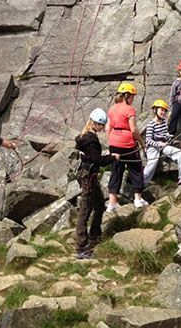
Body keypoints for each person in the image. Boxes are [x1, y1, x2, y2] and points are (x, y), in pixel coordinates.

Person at [74, 108, 120, 260]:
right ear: (96, 124)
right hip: (89, 176)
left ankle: (94, 234)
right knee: (85, 210)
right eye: (102, 125)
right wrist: (112, 158)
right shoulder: (92, 140)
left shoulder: (83, 137)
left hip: (87, 174)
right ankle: (82, 247)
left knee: (99, 204)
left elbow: (89, 157)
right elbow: (97, 160)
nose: (103, 128)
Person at [105, 82, 148, 211]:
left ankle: (112, 203)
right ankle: (138, 199)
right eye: (132, 96)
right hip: (128, 143)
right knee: (136, 169)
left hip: (114, 143)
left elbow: (108, 127)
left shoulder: (112, 109)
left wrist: (111, 141)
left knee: (116, 171)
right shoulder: (129, 110)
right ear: (127, 95)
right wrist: (142, 143)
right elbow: (134, 130)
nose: (133, 99)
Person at [144, 99, 181, 186]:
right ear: (155, 110)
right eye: (161, 110)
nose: (163, 112)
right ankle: (142, 183)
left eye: (164, 110)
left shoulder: (164, 123)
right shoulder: (151, 124)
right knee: (153, 162)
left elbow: (165, 135)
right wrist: (159, 144)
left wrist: (170, 139)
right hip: (153, 147)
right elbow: (148, 140)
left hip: (163, 146)